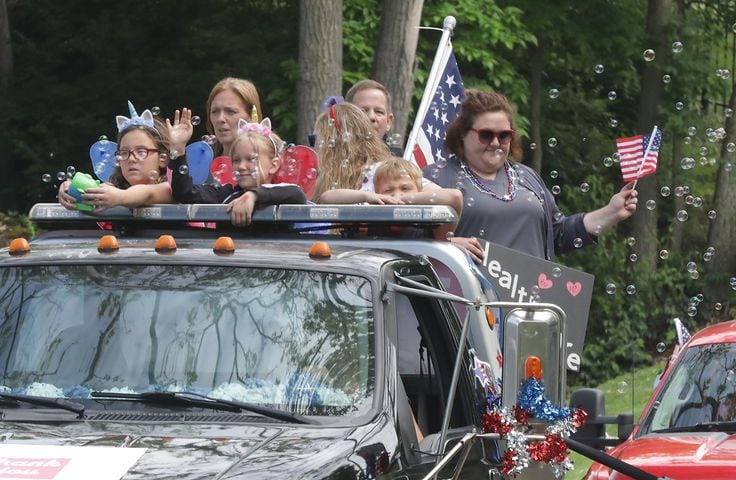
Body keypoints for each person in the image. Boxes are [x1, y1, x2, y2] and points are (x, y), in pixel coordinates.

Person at [424, 89, 638, 263]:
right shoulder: (436, 177)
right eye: (486, 135)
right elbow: (405, 242)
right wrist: (447, 247)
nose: (496, 143)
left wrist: (612, 212)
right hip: (466, 302)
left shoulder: (526, 176)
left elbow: (557, 234)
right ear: (462, 133)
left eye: (504, 135)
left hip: (529, 305)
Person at [170, 117, 306, 226]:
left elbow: (297, 195)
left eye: (251, 159)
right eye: (236, 160)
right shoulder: (227, 195)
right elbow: (184, 192)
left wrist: (253, 196)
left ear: (273, 165)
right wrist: (178, 151)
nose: (241, 166)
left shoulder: (284, 193)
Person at [57, 102, 188, 211]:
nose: (131, 159)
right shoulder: (114, 190)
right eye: (124, 152)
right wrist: (70, 189)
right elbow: (95, 192)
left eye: (141, 151)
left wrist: (119, 197)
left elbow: (147, 193)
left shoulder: (171, 188)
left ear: (163, 159)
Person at [319, 156, 462, 240]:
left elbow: (455, 196)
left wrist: (404, 201)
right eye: (388, 190)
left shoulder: (433, 228)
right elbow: (326, 198)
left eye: (405, 188)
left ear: (419, 190)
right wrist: (366, 196)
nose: (396, 194)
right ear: (378, 193)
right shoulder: (366, 222)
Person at [206, 77, 263, 157]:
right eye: (215, 111)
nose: (220, 119)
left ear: (251, 115)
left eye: (230, 112)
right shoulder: (201, 163)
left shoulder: (270, 164)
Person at [345, 79, 402, 155]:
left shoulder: (402, 161)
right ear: (347, 118)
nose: (371, 117)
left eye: (379, 112)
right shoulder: (330, 159)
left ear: (388, 122)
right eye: (363, 111)